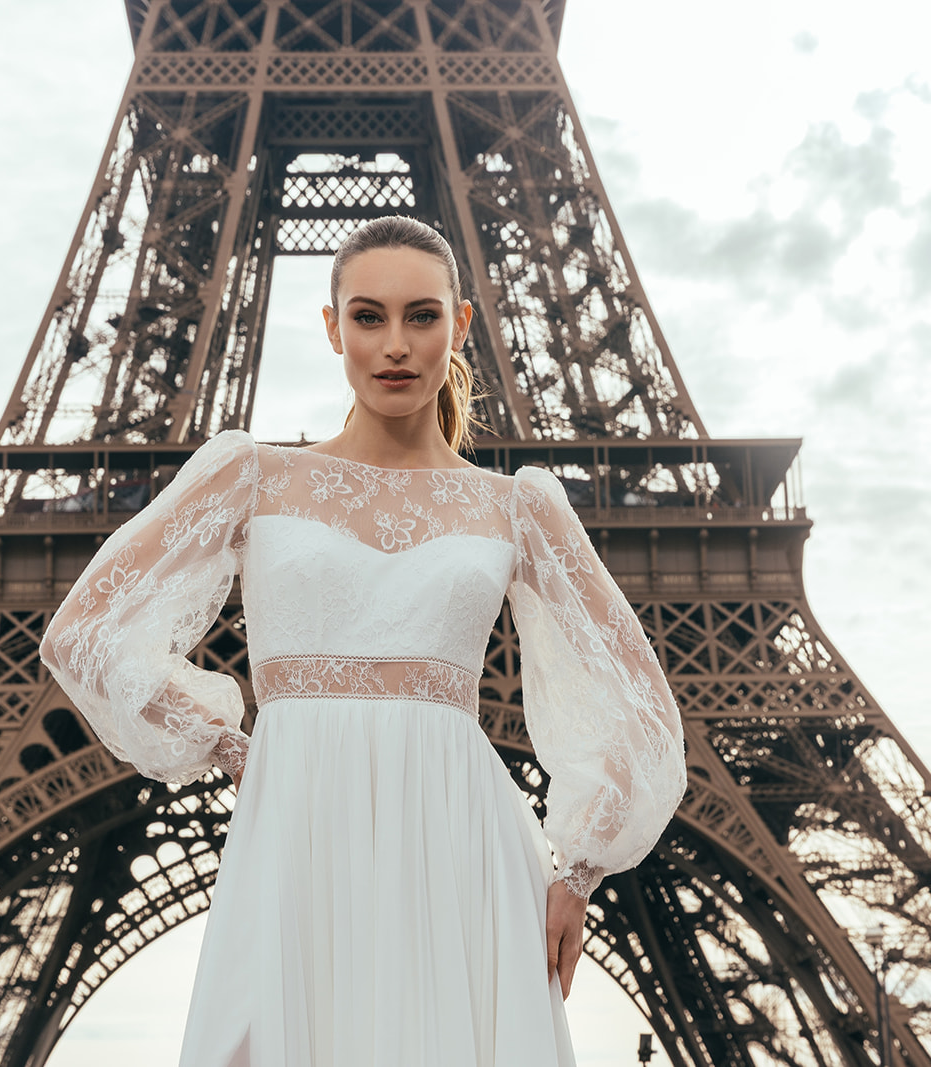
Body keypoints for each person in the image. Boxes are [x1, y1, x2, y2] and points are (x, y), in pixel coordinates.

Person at [39, 215, 688, 1067]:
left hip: (460, 837)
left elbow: (635, 698)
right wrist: (225, 744)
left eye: (422, 316)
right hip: (298, 823)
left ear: (460, 324)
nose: (395, 344)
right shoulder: (253, 474)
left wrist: (579, 872)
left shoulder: (518, 505)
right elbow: (86, 630)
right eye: (369, 316)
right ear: (332, 326)